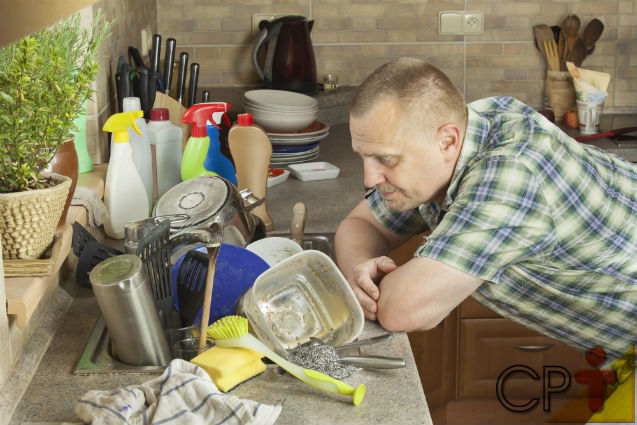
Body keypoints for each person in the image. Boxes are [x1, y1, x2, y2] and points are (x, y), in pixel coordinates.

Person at [334, 57, 637, 365]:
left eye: (385, 160)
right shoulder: (464, 131)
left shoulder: (512, 174)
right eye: (364, 158)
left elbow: (403, 309)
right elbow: (360, 223)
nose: (369, 179)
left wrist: (364, 288)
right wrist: (360, 270)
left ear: (448, 141)